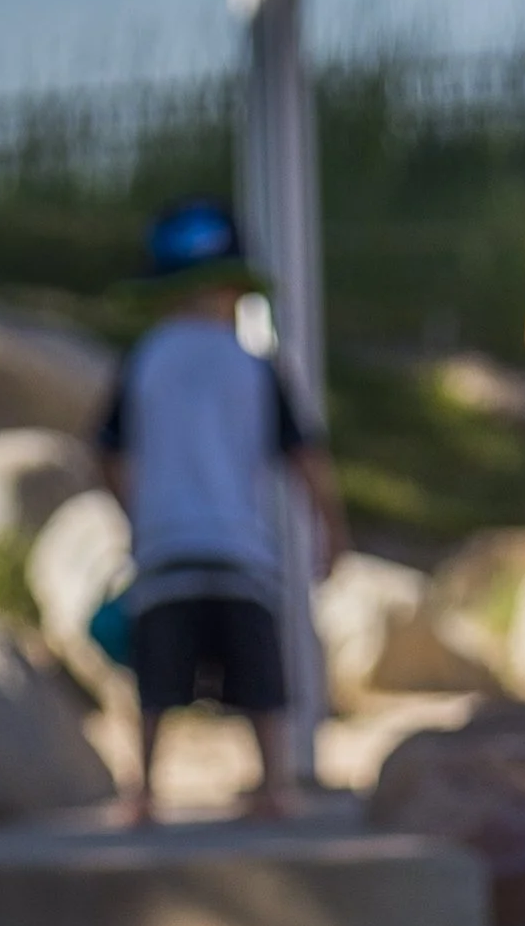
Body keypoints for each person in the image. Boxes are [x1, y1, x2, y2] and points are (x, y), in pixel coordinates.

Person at [96, 198, 344, 825]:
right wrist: (331, 529)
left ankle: (144, 790)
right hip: (241, 543)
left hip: (166, 541)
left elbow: (108, 451)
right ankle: (273, 784)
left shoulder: (145, 359)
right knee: (258, 674)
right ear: (235, 287)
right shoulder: (254, 365)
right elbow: (304, 454)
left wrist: (135, 509)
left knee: (157, 678)